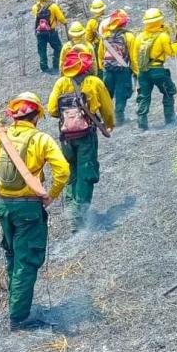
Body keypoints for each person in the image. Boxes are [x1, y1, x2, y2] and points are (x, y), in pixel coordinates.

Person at [0, 92, 70, 331]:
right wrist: (51, 195)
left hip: (3, 206)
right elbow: (63, 171)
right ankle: (19, 317)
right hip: (29, 207)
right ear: (36, 116)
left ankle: (16, 304)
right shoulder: (41, 140)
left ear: (14, 116)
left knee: (13, 255)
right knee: (26, 259)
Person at [47, 50, 114, 233]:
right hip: (86, 136)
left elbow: (52, 109)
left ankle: (70, 211)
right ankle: (79, 217)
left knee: (71, 173)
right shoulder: (94, 82)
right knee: (86, 173)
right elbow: (107, 109)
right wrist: (109, 125)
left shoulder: (61, 83)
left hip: (66, 138)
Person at [134, 8, 177, 131]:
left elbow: (135, 56)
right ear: (160, 20)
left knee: (144, 96)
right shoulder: (163, 36)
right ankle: (170, 119)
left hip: (143, 72)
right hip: (158, 71)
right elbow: (171, 52)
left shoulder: (139, 37)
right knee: (168, 92)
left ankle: (142, 124)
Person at [98, 9, 138, 126]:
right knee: (121, 94)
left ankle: (106, 118)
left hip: (108, 70)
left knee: (107, 94)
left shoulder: (105, 36)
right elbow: (133, 56)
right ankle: (119, 118)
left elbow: (100, 55)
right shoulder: (129, 37)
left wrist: (103, 68)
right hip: (123, 70)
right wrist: (136, 72)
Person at [31, 0, 67, 75]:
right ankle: (55, 64)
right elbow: (61, 18)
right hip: (51, 32)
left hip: (40, 33)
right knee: (58, 48)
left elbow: (35, 18)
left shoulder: (35, 7)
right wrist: (65, 22)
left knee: (42, 50)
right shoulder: (53, 6)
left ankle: (44, 68)